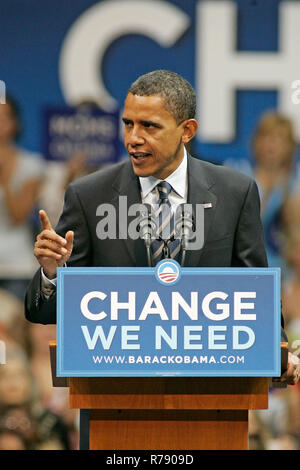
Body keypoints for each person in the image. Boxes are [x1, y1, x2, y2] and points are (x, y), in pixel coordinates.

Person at [24, 70, 299, 387]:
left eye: (149, 126)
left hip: (211, 395)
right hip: (115, 397)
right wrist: (52, 274)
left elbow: (254, 292)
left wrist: (277, 352)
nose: (133, 138)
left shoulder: (235, 193)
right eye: (128, 123)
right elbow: (46, 313)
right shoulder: (88, 195)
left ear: (187, 131)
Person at [0, 96, 45, 300]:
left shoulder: (31, 165)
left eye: (4, 117)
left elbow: (19, 215)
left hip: (15, 269)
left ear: (15, 123)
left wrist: (5, 173)